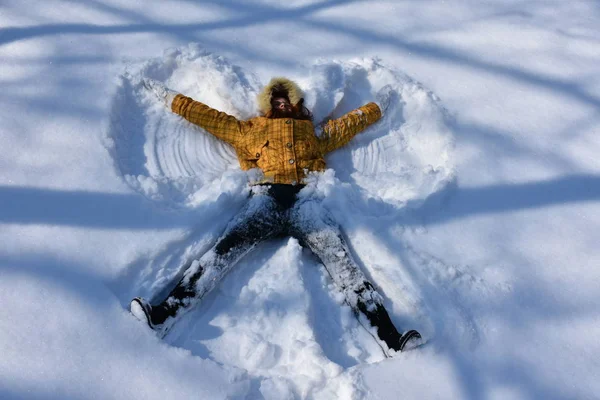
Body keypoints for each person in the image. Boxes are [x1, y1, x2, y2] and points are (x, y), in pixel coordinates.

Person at [131, 77, 421, 353]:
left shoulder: (313, 134)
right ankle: (163, 315)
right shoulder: (249, 130)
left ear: (297, 104)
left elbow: (350, 124)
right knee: (218, 255)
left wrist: (378, 106)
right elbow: (205, 115)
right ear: (268, 105)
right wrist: (168, 96)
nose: (282, 103)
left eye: (287, 99)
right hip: (265, 200)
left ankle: (389, 337)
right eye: (276, 100)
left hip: (306, 202)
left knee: (345, 267)